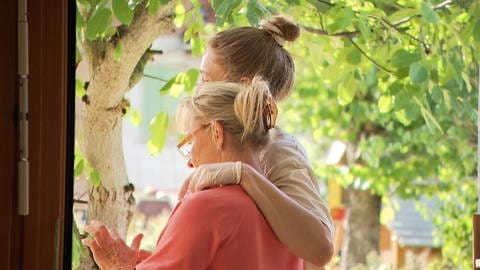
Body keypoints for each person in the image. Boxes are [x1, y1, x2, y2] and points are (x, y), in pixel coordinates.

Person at [83, 78, 303, 270]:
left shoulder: (208, 206)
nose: (190, 162)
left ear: (217, 133)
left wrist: (116, 266)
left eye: (190, 142)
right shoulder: (287, 215)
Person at [179, 15, 335, 269]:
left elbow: (320, 248)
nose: (198, 90)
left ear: (242, 86)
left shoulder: (277, 149)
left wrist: (244, 174)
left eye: (206, 79)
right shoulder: (229, 142)